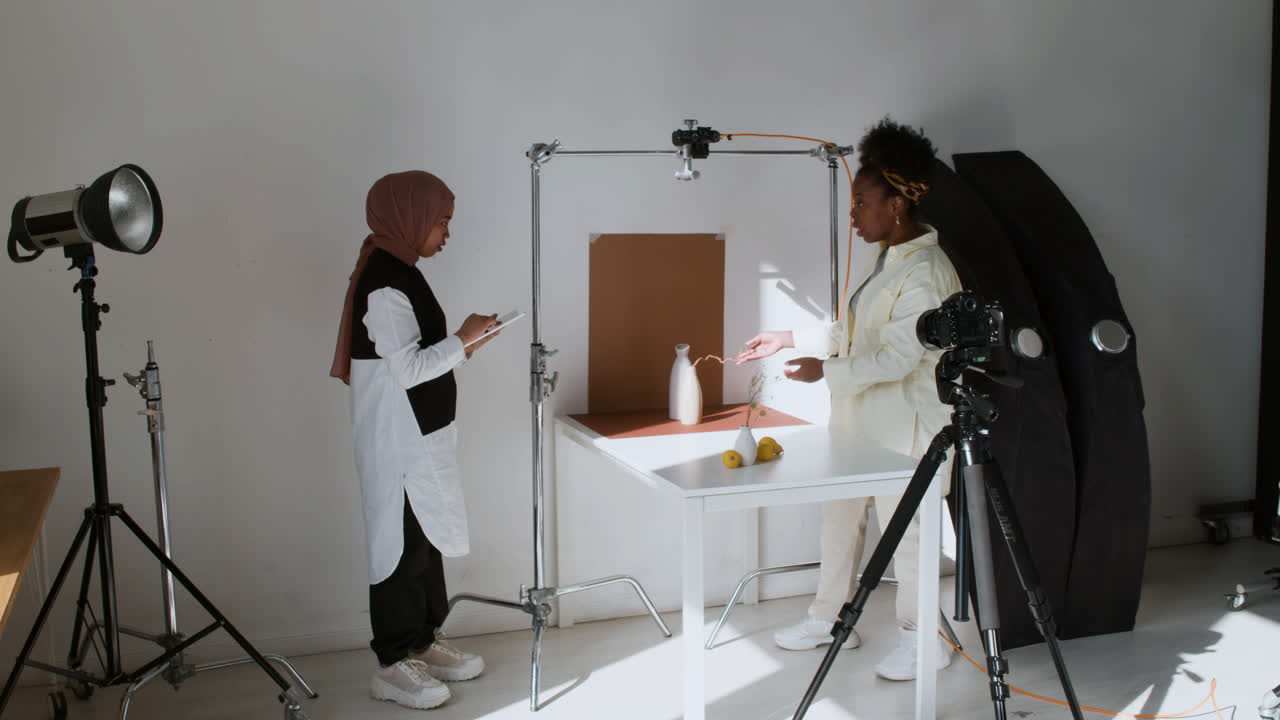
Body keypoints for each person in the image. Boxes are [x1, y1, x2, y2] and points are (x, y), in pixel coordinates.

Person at [736, 119, 961, 681]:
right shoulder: (889, 260)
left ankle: (921, 638)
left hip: (906, 432)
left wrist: (825, 372)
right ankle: (828, 617)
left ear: (898, 205)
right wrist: (788, 339)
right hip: (862, 426)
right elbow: (858, 332)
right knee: (838, 521)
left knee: (907, 538)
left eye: (862, 203)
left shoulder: (928, 273)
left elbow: (898, 357)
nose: (854, 215)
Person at [331, 170, 500, 709]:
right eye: (441, 222)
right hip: (397, 441)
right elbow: (407, 371)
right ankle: (393, 661)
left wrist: (464, 346)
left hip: (420, 437)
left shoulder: (402, 271)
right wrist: (463, 339)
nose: (446, 234)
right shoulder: (385, 283)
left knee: (426, 539)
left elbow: (416, 360)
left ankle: (422, 642)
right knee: (400, 545)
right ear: (408, 218)